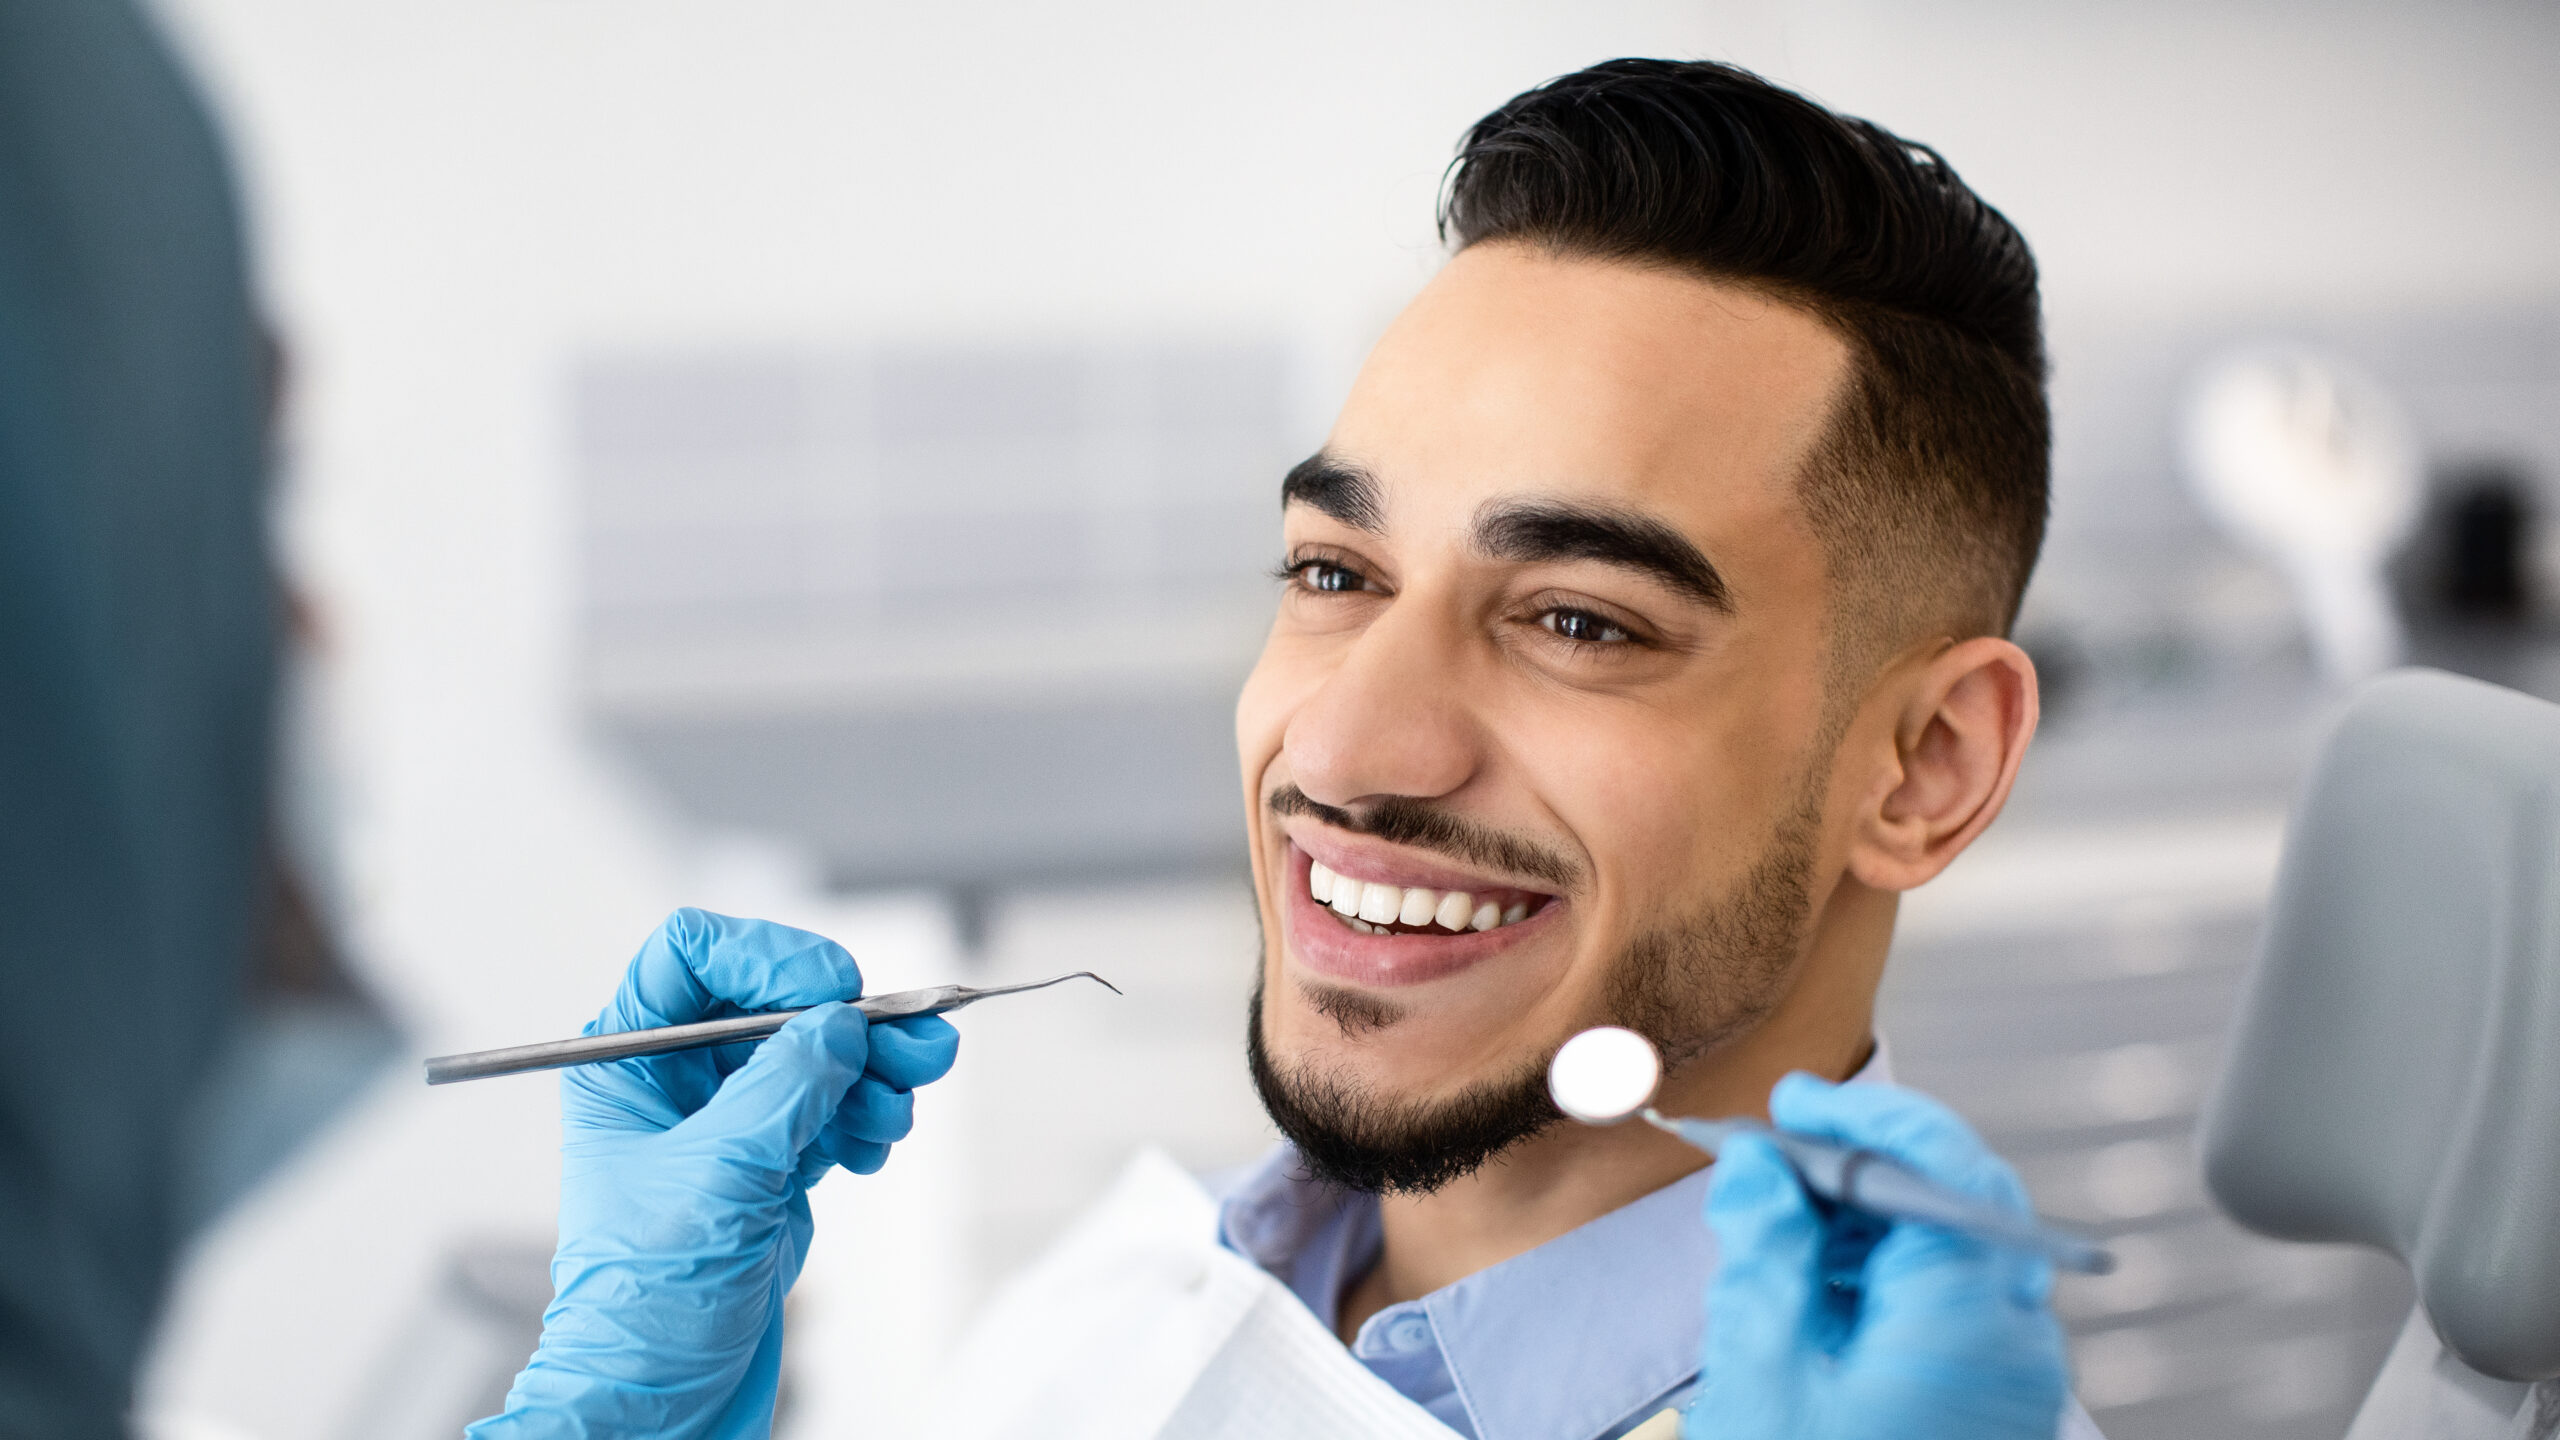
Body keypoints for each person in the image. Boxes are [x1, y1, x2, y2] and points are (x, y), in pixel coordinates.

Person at [473, 58, 2099, 1440]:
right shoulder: (1128, 1309)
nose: (1347, 742)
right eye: (1338, 574)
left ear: (1927, 766)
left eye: (1580, 621)